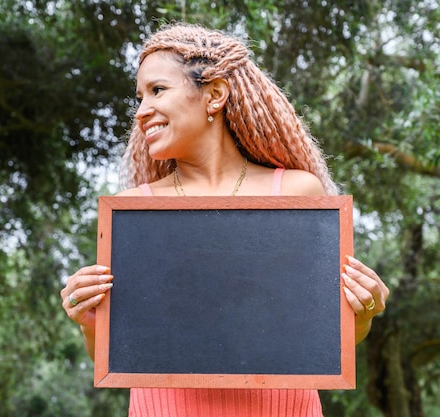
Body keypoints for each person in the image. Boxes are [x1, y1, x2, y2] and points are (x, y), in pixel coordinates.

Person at [61, 22, 389, 417]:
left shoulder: (295, 193)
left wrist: (364, 311)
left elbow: (325, 340)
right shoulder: (133, 212)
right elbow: (115, 352)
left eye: (157, 90)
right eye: (140, 97)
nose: (142, 111)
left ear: (214, 95)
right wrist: (86, 317)